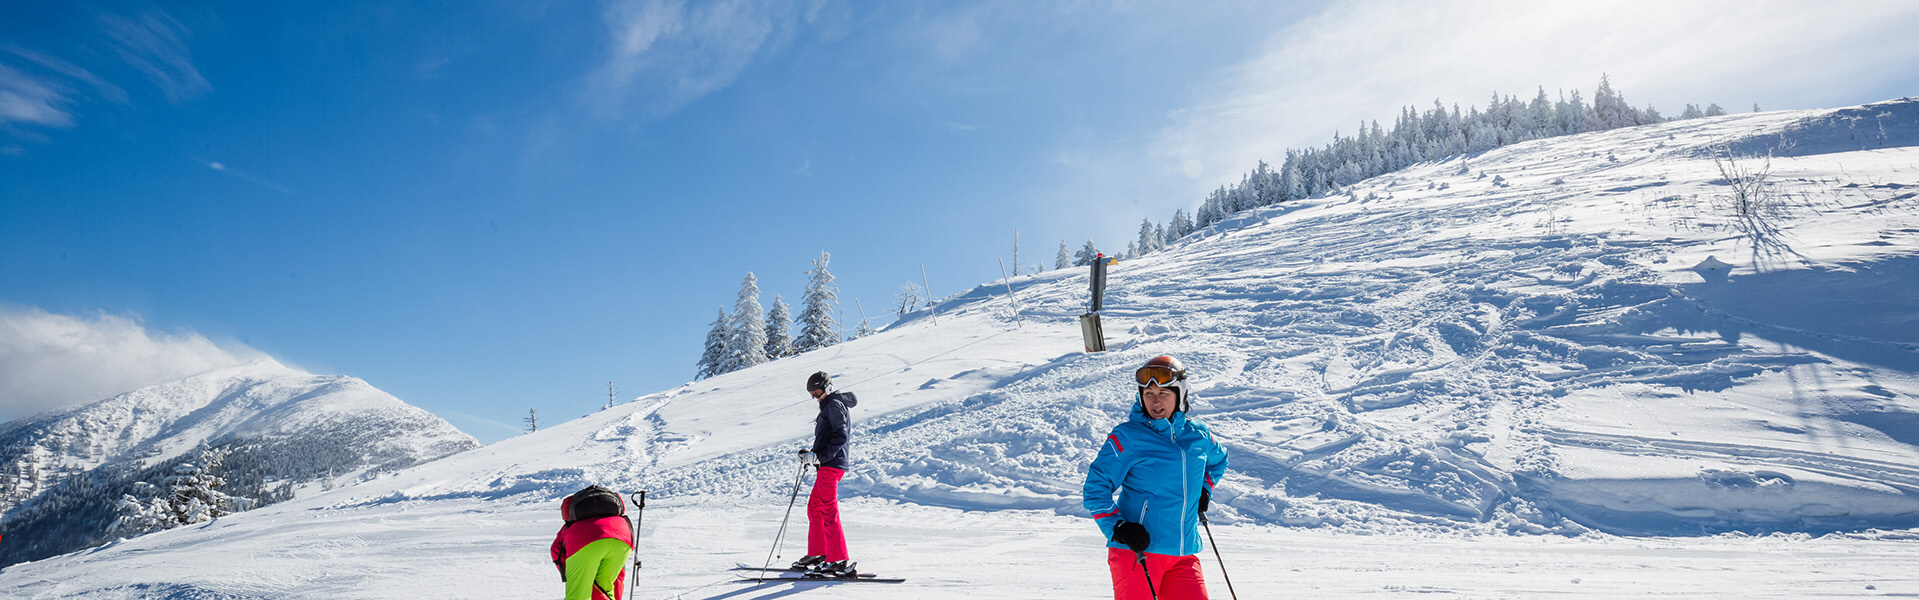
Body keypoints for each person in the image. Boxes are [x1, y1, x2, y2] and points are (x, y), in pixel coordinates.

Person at [1082, 355, 1229, 600]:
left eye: (1163, 393)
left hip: (1183, 553)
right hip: (1137, 552)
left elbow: (1219, 460)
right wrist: (1117, 527)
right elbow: (1095, 488)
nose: (1155, 401)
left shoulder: (1198, 435)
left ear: (1180, 396)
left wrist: (1205, 489)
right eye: (1148, 394)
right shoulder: (1128, 436)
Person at [791, 370, 860, 577]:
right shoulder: (828, 405)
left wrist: (821, 456)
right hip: (827, 463)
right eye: (812, 393)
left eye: (818, 391)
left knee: (828, 510)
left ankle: (837, 559)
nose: (815, 396)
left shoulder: (834, 405)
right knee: (815, 507)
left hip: (831, 464)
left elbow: (841, 436)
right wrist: (813, 454)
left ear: (828, 387)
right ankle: (819, 552)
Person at [551, 485, 634, 600]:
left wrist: (571, 576)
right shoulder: (613, 517)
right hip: (623, 538)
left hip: (584, 541)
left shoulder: (569, 529)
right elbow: (618, 578)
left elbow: (556, 551)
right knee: (604, 589)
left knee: (578, 595)